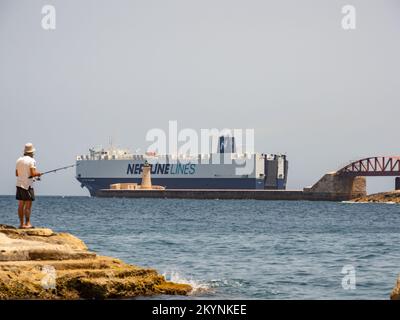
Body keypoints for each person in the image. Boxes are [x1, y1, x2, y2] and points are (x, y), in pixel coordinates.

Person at [15, 143, 41, 229]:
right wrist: (39, 173)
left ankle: (21, 224)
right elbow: (33, 173)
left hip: (19, 184)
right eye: (33, 152)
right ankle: (27, 224)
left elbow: (16, 173)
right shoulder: (32, 160)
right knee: (28, 205)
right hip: (28, 185)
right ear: (31, 152)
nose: (33, 154)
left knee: (21, 204)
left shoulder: (19, 160)